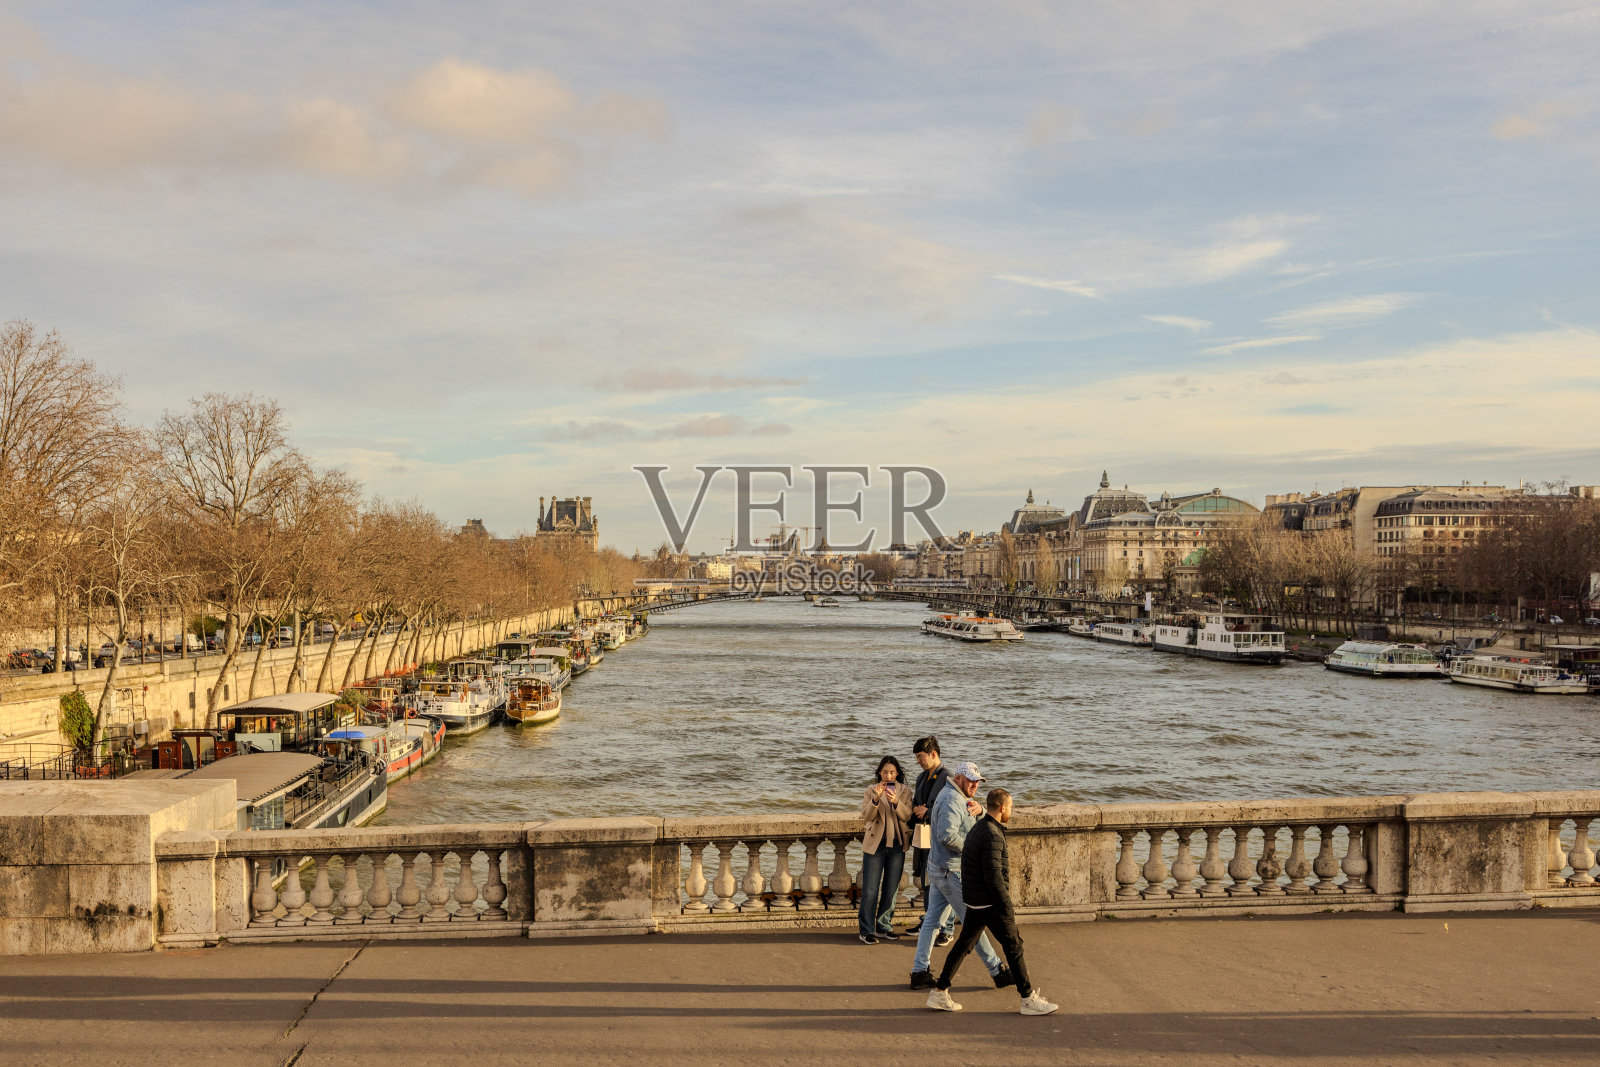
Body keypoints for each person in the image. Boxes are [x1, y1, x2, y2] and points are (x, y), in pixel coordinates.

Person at [926, 787, 1058, 1016]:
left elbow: (970, 865)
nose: (1011, 812)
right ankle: (1027, 998)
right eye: (1011, 808)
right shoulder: (992, 835)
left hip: (976, 901)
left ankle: (939, 992)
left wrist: (971, 897)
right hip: (989, 902)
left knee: (963, 945)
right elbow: (994, 875)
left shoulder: (979, 827)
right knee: (1013, 946)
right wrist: (1006, 906)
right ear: (1003, 807)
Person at [909, 761, 1009, 991]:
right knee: (973, 923)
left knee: (932, 921)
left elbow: (969, 818)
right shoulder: (954, 800)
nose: (975, 785)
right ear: (960, 778)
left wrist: (981, 810)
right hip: (951, 871)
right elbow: (947, 837)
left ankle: (919, 971)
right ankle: (997, 970)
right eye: (971, 781)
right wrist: (975, 848)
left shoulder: (954, 795)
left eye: (978, 782)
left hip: (939, 868)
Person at [858, 754, 913, 945]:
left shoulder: (905, 791)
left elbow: (907, 816)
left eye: (892, 772)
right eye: (884, 772)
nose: (888, 776)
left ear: (897, 773)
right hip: (875, 846)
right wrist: (876, 799)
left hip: (897, 846)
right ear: (879, 773)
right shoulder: (871, 790)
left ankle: (884, 926)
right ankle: (866, 930)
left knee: (891, 890)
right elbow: (866, 816)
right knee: (870, 890)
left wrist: (897, 802)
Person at [909, 735, 950, 939]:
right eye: (917, 757)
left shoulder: (947, 777)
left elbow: (950, 808)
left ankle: (946, 929)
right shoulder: (921, 778)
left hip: (939, 840)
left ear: (933, 754)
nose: (918, 761)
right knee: (926, 882)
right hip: (923, 837)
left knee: (943, 884)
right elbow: (916, 801)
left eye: (921, 756)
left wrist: (927, 811)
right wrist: (917, 809)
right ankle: (928, 922)